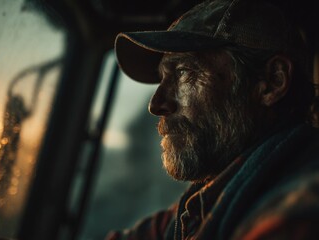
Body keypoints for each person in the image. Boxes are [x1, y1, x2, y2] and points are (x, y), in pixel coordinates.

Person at [107, 0, 319, 239]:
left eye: (184, 72)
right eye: (162, 77)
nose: (156, 105)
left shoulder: (298, 211)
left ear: (272, 82)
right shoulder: (208, 200)